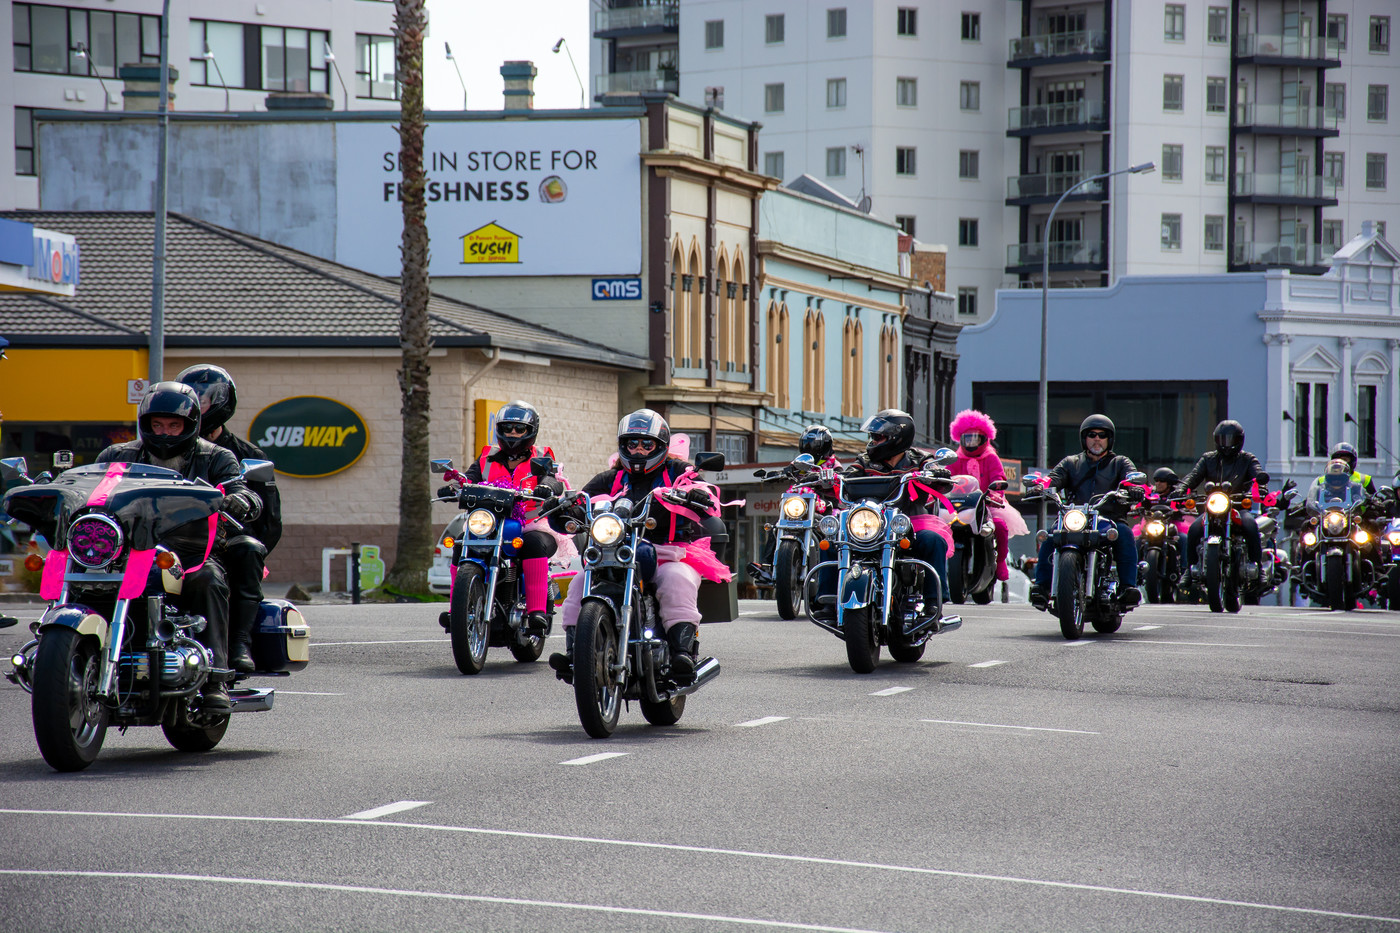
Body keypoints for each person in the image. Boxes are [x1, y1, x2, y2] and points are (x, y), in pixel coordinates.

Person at [95, 382, 261, 712]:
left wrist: (239, 500)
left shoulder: (215, 456)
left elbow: (245, 492)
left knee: (209, 580)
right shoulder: (117, 455)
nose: (165, 433)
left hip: (190, 552)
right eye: (158, 425)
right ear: (145, 423)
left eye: (174, 425)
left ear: (190, 424)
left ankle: (215, 680)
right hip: (125, 552)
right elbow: (91, 489)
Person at [548, 409, 728, 685]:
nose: (639, 450)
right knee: (579, 582)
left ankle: (682, 652)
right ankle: (576, 655)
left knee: (676, 580)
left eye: (647, 444)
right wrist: (563, 507)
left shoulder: (677, 471)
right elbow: (583, 499)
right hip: (615, 552)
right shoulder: (611, 478)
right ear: (623, 445)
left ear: (661, 445)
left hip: (671, 553)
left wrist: (696, 495)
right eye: (632, 444)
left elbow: (707, 497)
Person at [178, 364, 282, 674]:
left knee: (249, 548)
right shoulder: (164, 449)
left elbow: (270, 522)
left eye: (207, 397)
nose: (200, 402)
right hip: (173, 539)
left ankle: (239, 643)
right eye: (194, 396)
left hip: (226, 542)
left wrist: (254, 554)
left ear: (223, 401)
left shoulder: (246, 454)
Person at [813, 409, 953, 620]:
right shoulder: (865, 461)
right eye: (872, 436)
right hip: (869, 525)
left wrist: (939, 474)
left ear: (897, 437)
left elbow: (938, 475)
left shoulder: (919, 459)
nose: (873, 441)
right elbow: (847, 477)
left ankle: (934, 603)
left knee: (933, 541)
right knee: (832, 540)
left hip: (907, 524)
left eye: (878, 437)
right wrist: (828, 479)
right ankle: (827, 600)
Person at [455, 400, 565, 636]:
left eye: (519, 429)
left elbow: (553, 477)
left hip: (532, 523)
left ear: (531, 431)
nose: (512, 433)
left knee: (533, 544)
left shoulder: (542, 455)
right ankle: (457, 609)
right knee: (461, 542)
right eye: (507, 428)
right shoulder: (487, 456)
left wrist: (547, 486)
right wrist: (457, 484)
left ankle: (536, 611)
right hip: (492, 523)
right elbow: (470, 477)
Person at [1028, 414, 1142, 611]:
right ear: (1084, 438)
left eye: (1102, 435)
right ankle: (1041, 587)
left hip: (1109, 518)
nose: (1097, 439)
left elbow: (1131, 478)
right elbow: (1052, 478)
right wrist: (1040, 486)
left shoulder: (1120, 462)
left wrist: (1134, 488)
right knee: (1050, 535)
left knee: (1125, 534)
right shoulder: (1071, 463)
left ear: (1109, 439)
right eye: (1092, 434)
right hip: (1075, 516)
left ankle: (1128, 588)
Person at [749, 424, 841, 584]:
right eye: (805, 444)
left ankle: (833, 571)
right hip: (802, 504)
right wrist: (776, 474)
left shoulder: (834, 465)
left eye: (812, 444)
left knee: (834, 535)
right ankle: (766, 568)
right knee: (777, 526)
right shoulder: (801, 462)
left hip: (826, 506)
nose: (808, 447)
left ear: (823, 445)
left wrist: (833, 478)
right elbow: (788, 469)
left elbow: (840, 479)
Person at [1175, 419, 1265, 581]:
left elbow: (1257, 475)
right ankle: (1190, 569)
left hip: (1238, 506)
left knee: (1251, 526)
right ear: (1216, 440)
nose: (1227, 444)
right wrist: (1181, 488)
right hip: (1213, 506)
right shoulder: (1208, 459)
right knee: (1194, 530)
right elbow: (1194, 476)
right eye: (1222, 440)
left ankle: (1258, 567)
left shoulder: (1247, 459)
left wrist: (1261, 486)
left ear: (1240, 440)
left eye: (1231, 439)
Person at [949, 409, 1029, 584]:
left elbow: (999, 478)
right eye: (967, 438)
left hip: (986, 504)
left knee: (1000, 526)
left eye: (975, 438)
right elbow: (947, 477)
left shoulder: (991, 458)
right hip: (960, 505)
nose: (971, 442)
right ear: (960, 438)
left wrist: (996, 493)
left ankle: (1000, 562)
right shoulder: (956, 458)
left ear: (985, 438)